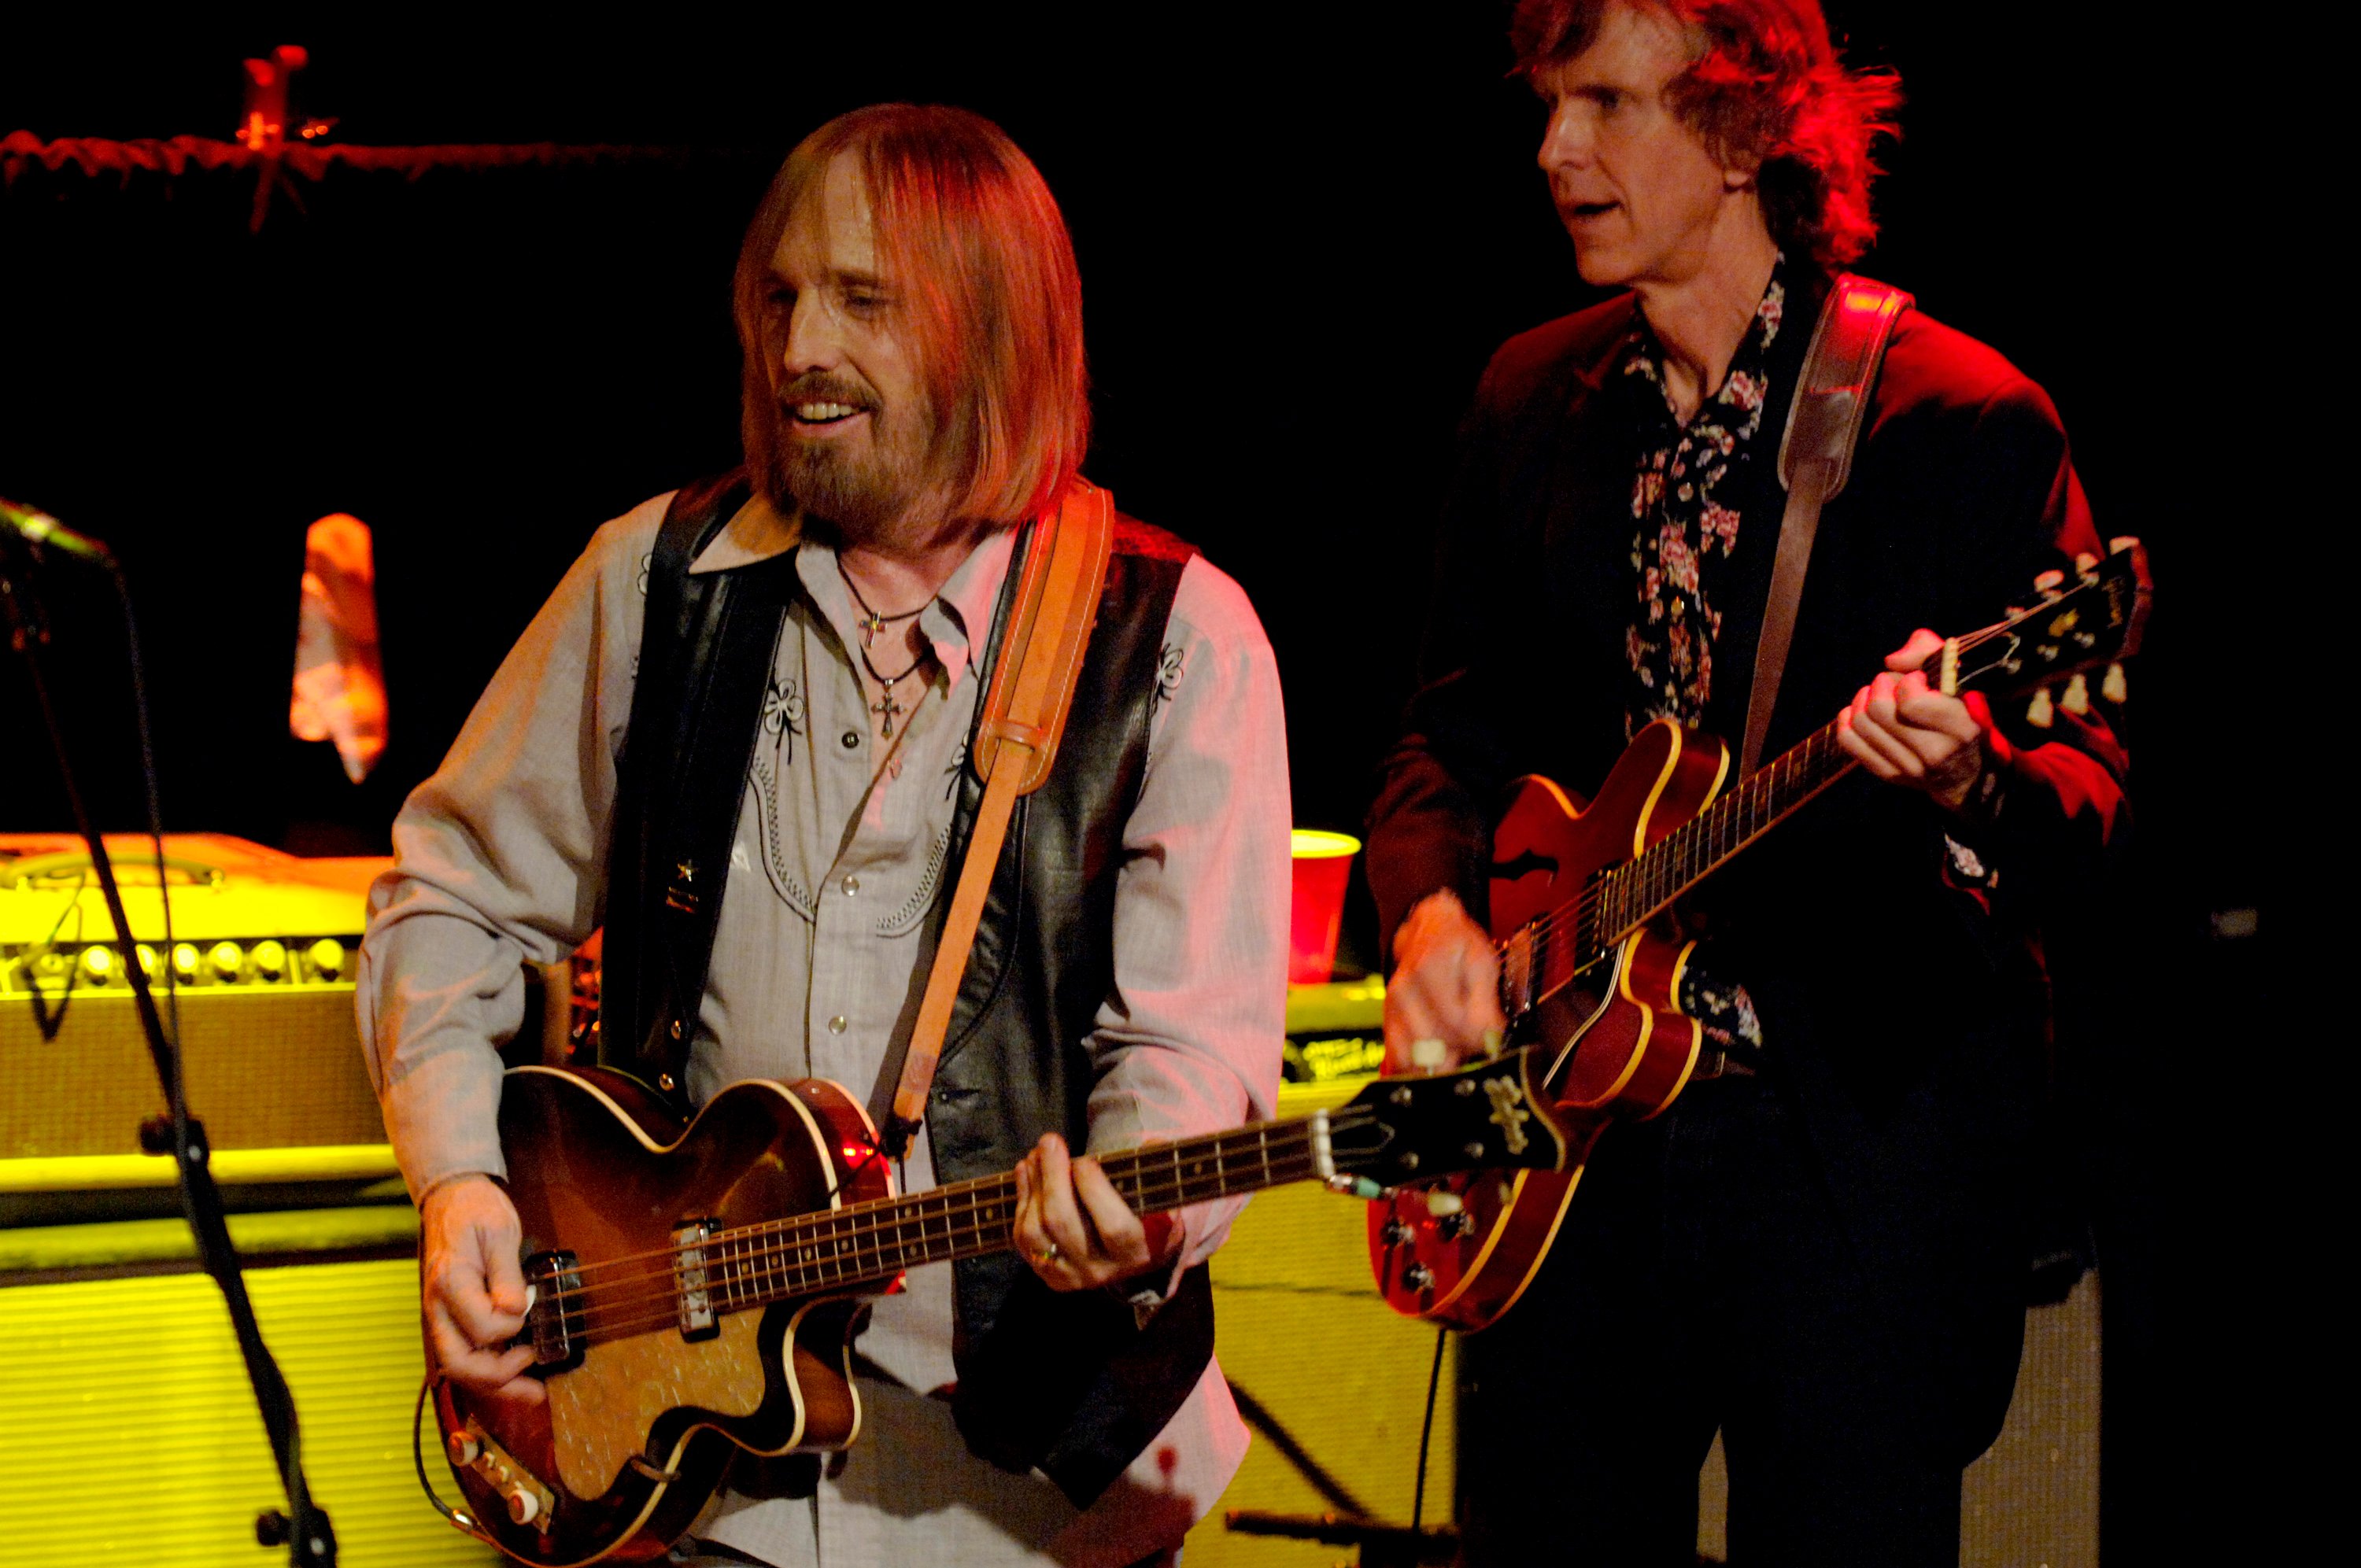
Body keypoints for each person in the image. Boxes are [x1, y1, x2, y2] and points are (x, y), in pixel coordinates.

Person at [357, 104, 1290, 1568]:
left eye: (862, 302)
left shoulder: (1178, 637)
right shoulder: (653, 578)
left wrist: (1142, 1204)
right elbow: (450, 892)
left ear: (992, 335)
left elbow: (1192, 1050)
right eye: (781, 298)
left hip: (1039, 1498)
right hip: (704, 1469)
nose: (797, 352)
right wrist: (462, 1175)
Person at [1365, 3, 2130, 1563]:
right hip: (1578, 1142)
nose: (1553, 147)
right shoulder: (1530, 398)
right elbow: (1445, 735)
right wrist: (1434, 926)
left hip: (1843, 1158)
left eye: (1603, 103)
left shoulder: (1960, 419)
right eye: (1548, 103)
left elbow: (2086, 793)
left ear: (1742, 131)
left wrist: (1975, 776)